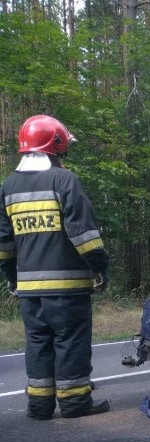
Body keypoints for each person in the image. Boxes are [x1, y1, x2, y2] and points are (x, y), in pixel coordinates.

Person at [0, 115, 110, 419]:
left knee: (37, 343)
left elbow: (4, 243)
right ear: (56, 144)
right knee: (70, 341)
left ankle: (40, 404)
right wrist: (99, 266)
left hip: (29, 291)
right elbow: (83, 234)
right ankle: (75, 402)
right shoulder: (64, 180)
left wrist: (11, 278)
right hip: (67, 288)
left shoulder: (8, 186)